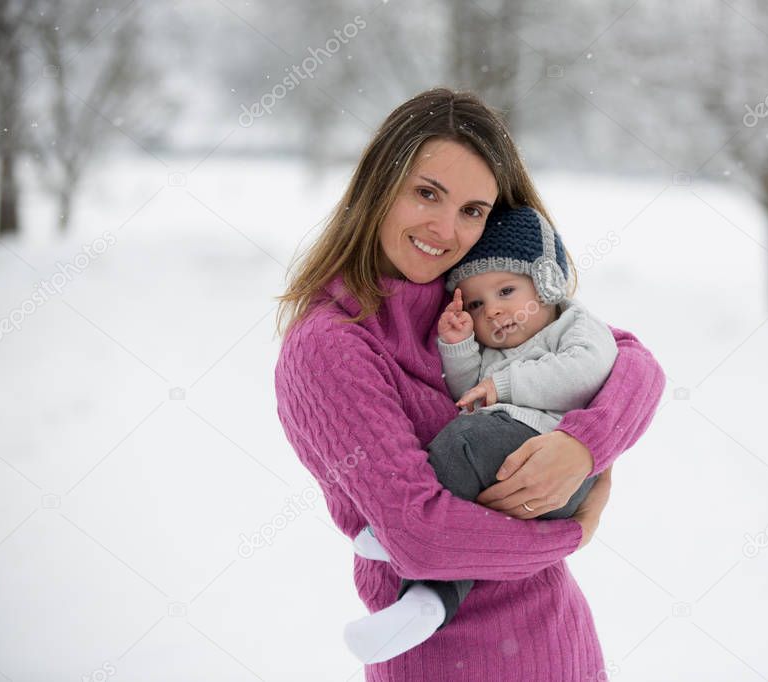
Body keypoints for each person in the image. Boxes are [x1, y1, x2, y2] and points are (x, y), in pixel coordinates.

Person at [274, 87, 665, 681]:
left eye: (473, 210)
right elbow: (419, 536)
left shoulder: (470, 300)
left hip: (559, 645)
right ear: (379, 186)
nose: (445, 229)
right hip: (447, 658)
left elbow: (633, 363)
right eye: (427, 193)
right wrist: (569, 533)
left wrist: (584, 445)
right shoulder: (330, 346)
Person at [343, 205, 621, 663]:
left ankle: (396, 530)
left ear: (547, 283)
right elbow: (468, 389)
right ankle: (428, 603)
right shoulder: (497, 347)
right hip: (513, 456)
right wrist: (458, 344)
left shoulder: (574, 326)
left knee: (464, 441)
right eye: (475, 303)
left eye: (507, 290)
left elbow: (584, 374)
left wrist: (504, 386)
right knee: (465, 506)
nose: (494, 311)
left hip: (554, 462)